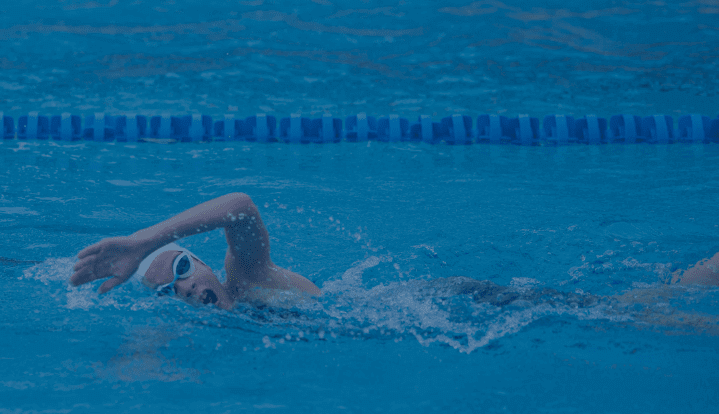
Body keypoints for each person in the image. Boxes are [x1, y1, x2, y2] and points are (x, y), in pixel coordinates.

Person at [71, 192, 719, 310]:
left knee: (621, 313)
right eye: (169, 290)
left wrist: (145, 243)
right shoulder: (227, 321)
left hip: (447, 306)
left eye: (183, 269)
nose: (182, 285)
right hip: (412, 329)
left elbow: (241, 202)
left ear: (207, 262)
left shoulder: (249, 277)